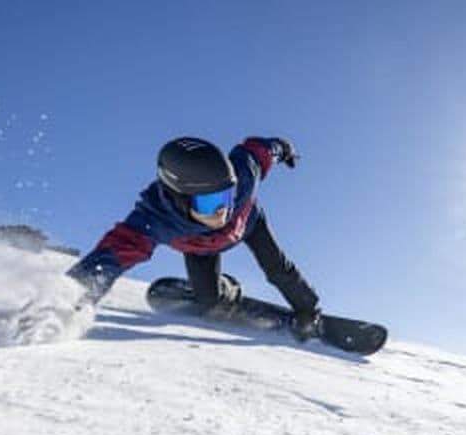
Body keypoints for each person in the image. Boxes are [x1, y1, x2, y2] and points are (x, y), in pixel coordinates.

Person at [66, 136, 321, 341]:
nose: (223, 210)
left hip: (251, 226)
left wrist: (285, 149)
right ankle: (225, 291)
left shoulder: (245, 171)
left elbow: (262, 149)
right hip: (201, 249)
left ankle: (309, 311)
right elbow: (112, 255)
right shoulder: (155, 218)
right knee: (210, 304)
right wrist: (68, 300)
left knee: (278, 268)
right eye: (210, 203)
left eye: (228, 195)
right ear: (181, 199)